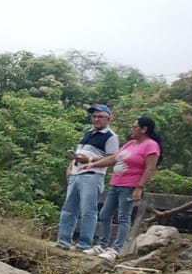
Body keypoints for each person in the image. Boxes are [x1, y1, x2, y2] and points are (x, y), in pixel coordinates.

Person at [84, 116, 163, 260]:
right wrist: (93, 164)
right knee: (105, 214)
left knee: (123, 217)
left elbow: (150, 168)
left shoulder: (151, 146)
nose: (131, 130)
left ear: (144, 129)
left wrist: (139, 187)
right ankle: (102, 245)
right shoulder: (131, 143)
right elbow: (114, 158)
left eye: (134, 127)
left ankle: (116, 249)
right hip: (116, 183)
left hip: (130, 186)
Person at [55, 104, 120, 250]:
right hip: (76, 174)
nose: (96, 119)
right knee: (68, 209)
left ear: (108, 118)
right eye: (94, 116)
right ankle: (63, 241)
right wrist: (70, 167)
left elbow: (112, 158)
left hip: (92, 175)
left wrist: (90, 161)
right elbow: (79, 154)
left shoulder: (111, 136)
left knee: (88, 211)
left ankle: (84, 244)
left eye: (100, 116)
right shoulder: (87, 133)